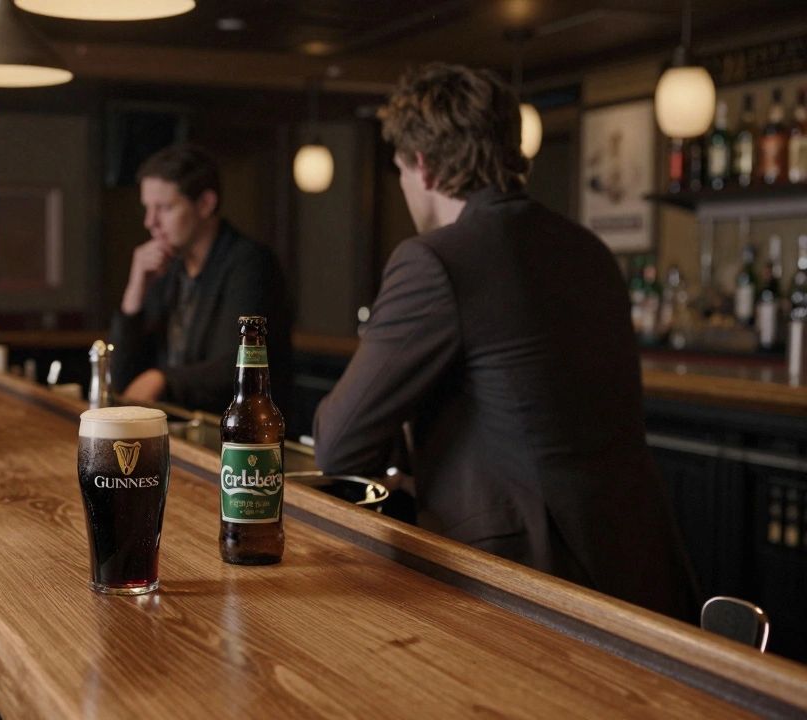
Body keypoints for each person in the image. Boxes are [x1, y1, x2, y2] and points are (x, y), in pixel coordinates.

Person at [312, 64, 699, 621]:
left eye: (398, 169)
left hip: (525, 582)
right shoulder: (588, 248)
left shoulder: (435, 258)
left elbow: (338, 443)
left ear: (421, 166)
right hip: (638, 564)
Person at [110, 142, 294, 416]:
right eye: (147, 208)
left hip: (238, 440)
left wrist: (161, 379)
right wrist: (133, 295)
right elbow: (123, 379)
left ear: (206, 204)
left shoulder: (251, 263)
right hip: (174, 431)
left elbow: (234, 365)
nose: (150, 222)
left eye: (165, 208)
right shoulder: (168, 268)